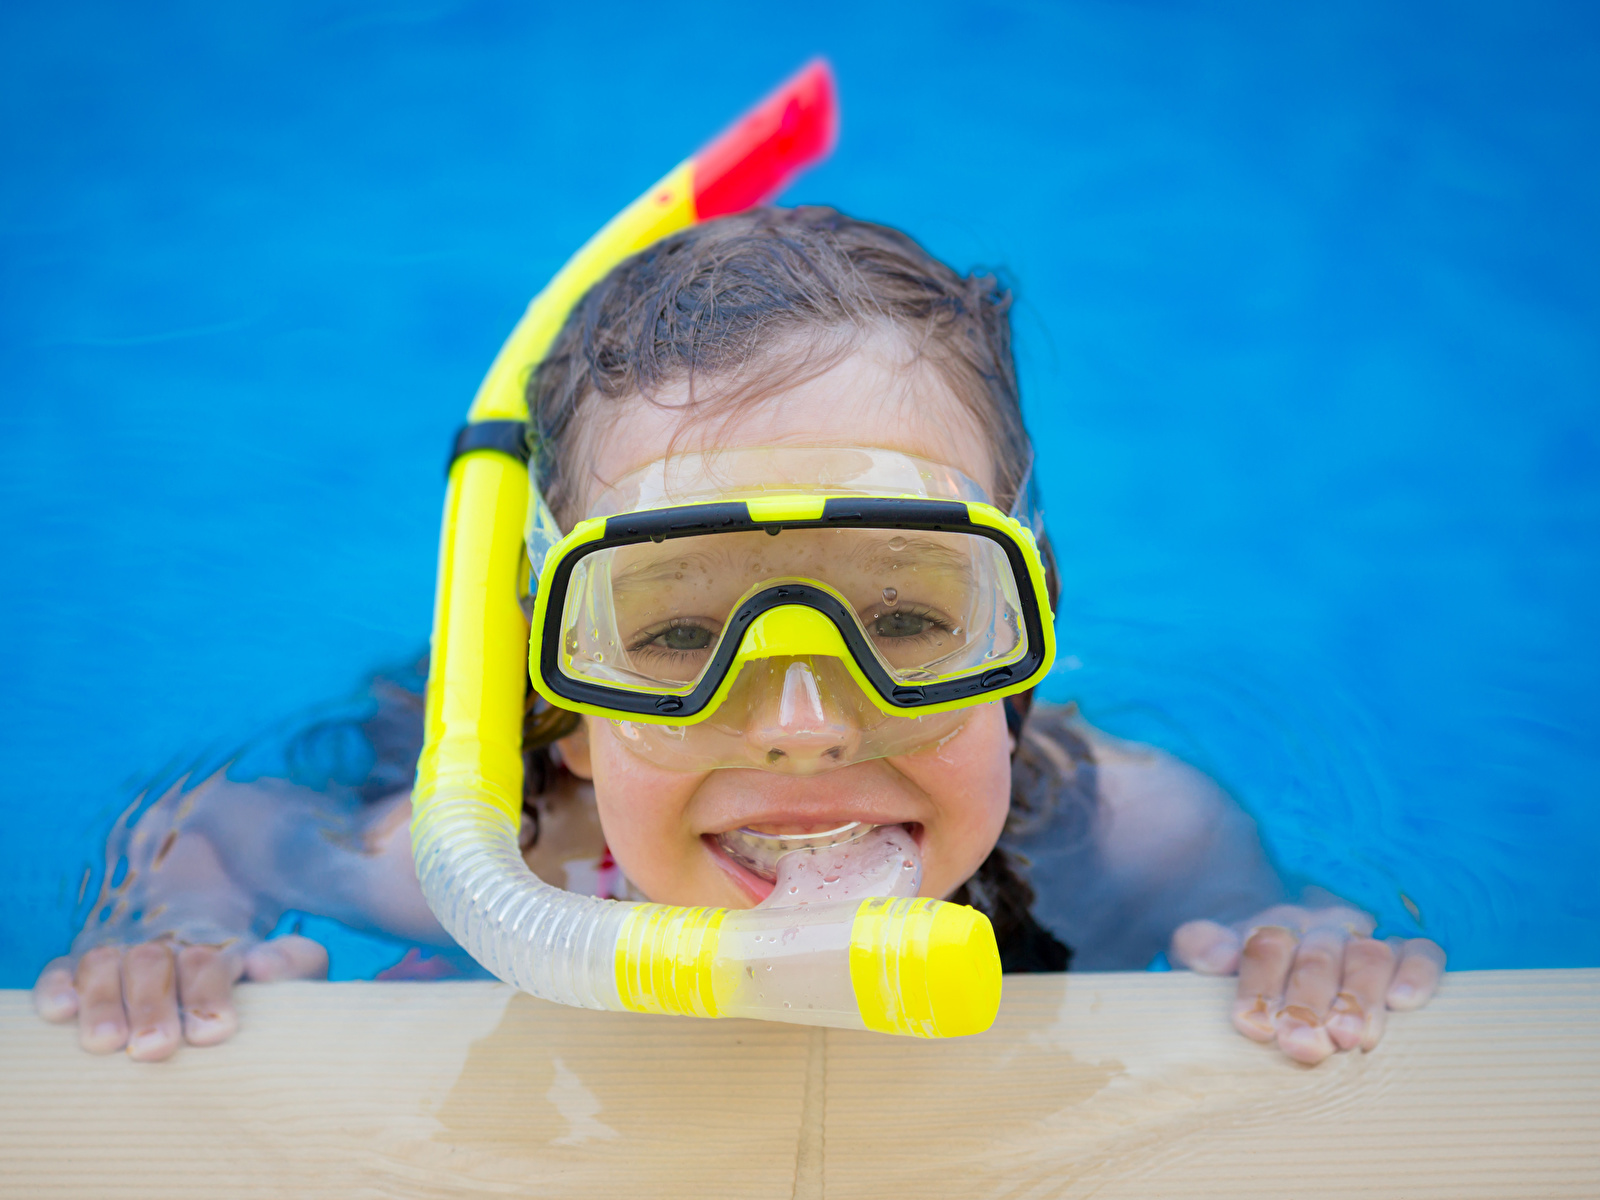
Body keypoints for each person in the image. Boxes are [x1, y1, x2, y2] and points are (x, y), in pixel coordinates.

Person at [32, 206, 1444, 1064]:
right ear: (564, 705)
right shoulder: (504, 859)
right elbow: (213, 830)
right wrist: (171, 932)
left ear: (1028, 633)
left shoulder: (1132, 838)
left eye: (905, 612)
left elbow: (1280, 927)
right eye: (673, 632)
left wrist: (1298, 946)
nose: (803, 717)